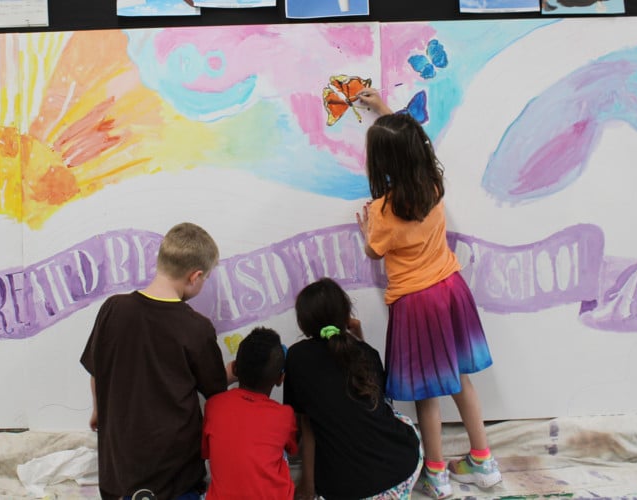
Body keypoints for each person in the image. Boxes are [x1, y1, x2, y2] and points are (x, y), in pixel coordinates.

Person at [353, 88, 502, 499]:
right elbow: (419, 141)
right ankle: (483, 462)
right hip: (451, 290)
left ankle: (436, 474)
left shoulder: (383, 212)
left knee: (427, 394)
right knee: (461, 381)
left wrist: (365, 231)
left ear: (382, 163)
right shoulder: (433, 183)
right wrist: (386, 110)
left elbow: (373, 250)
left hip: (416, 303)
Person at [80, 222, 230, 500]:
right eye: (206, 278)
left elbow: (97, 372)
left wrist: (98, 410)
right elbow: (215, 390)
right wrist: (232, 372)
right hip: (175, 477)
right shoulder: (196, 327)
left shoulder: (113, 309)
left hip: (120, 475)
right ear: (195, 276)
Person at [284, 278, 423, 500]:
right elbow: (376, 399)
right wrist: (359, 338)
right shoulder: (366, 352)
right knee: (399, 419)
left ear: (303, 322)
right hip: (398, 472)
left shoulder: (296, 356)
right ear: (346, 315)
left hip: (342, 491)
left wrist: (307, 486)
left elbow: (306, 425)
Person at [202, 327, 298, 499]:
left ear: (235, 369)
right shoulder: (284, 415)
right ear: (280, 379)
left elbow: (207, 453)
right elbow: (292, 448)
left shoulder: (213, 405)